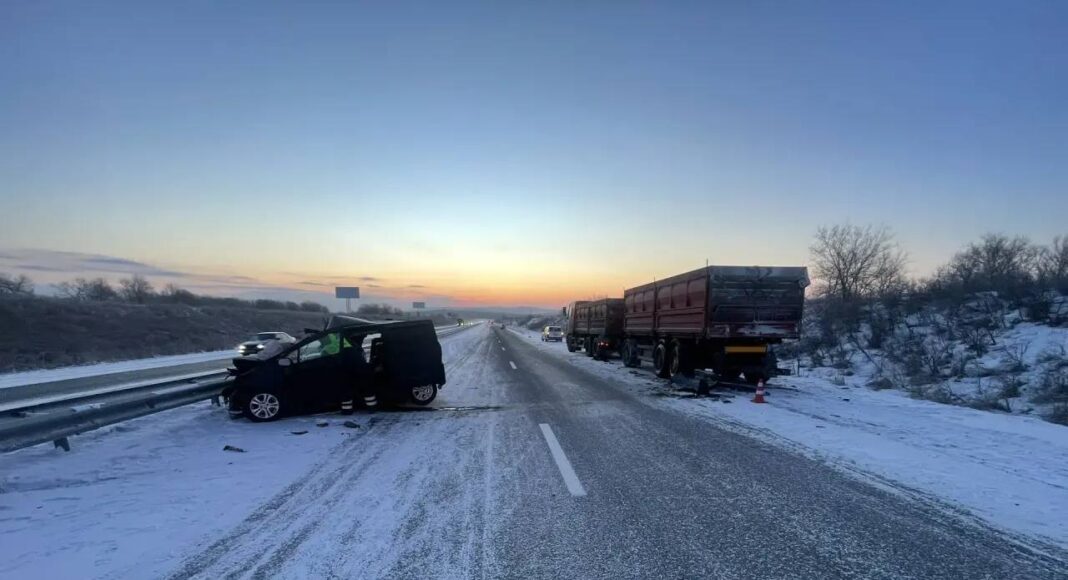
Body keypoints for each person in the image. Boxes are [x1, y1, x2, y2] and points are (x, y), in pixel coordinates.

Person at [339, 333, 376, 414]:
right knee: (367, 390)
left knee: (346, 389)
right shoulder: (356, 352)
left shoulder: (345, 352)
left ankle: (347, 411)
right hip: (361, 374)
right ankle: (372, 408)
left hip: (353, 375)